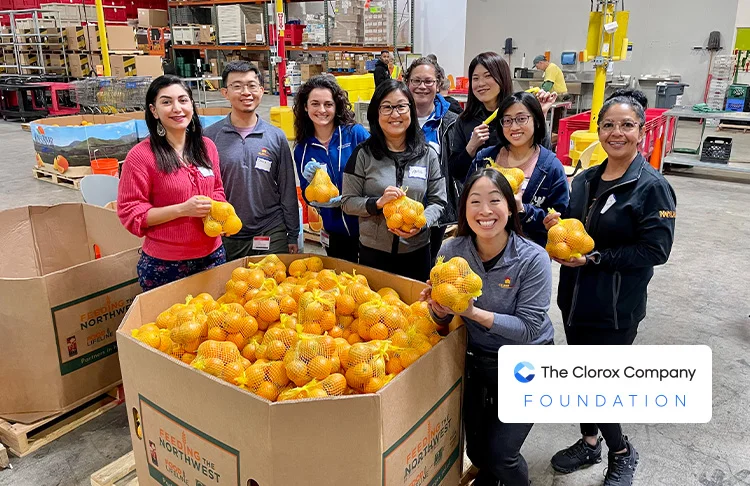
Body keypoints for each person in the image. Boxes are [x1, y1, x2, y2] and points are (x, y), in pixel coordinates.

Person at [545, 94, 676, 486]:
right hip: (575, 298)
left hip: (617, 307)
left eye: (626, 125)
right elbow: (576, 230)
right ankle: (589, 441)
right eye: (608, 126)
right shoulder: (584, 179)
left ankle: (620, 450)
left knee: (598, 384)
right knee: (581, 375)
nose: (616, 133)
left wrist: (595, 260)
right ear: (598, 130)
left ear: (640, 131)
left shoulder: (652, 187)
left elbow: (656, 249)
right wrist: (557, 224)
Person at [422, 168, 554, 486]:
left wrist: (474, 312)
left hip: (528, 363)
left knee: (501, 455)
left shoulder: (533, 259)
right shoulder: (451, 252)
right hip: (478, 360)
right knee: (478, 453)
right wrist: (438, 310)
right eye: (475, 202)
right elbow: (442, 321)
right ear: (464, 209)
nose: (485, 211)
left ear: (510, 207)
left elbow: (530, 328)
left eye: (495, 201)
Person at [118, 75, 227, 291]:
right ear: (154, 110)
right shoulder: (140, 157)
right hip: (166, 265)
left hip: (213, 256)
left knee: (214, 322)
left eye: (183, 100)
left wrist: (221, 215)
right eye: (167, 102)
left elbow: (217, 190)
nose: (177, 108)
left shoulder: (207, 147)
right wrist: (182, 209)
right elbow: (131, 213)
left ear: (192, 106)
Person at [342, 79, 447, 281]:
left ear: (411, 111)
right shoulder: (363, 154)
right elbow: (347, 202)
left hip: (417, 252)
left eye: (401, 106)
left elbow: (439, 201)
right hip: (373, 253)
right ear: (376, 113)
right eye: (387, 107)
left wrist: (422, 222)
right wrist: (377, 203)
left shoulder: (427, 154)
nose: (395, 114)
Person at [204, 61, 299, 260]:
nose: (245, 92)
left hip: (271, 230)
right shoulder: (209, 137)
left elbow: (287, 188)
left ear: (262, 91)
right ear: (225, 93)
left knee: (277, 285)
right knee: (233, 288)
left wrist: (292, 233)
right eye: (237, 86)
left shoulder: (275, 136)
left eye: (251, 85)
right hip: (227, 232)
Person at [472, 92, 569, 247]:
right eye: (507, 120)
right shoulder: (484, 159)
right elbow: (467, 203)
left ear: (536, 120)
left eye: (522, 118)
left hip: (530, 255)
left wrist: (523, 210)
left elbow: (561, 220)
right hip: (483, 250)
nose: (514, 127)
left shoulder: (551, 167)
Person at [293, 75, 370, 263]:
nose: (322, 110)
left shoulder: (355, 134)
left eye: (328, 104)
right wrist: (313, 198)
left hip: (367, 227)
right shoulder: (302, 149)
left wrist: (349, 200)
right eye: (315, 104)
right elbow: (306, 193)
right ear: (305, 107)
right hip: (334, 231)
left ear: (336, 106)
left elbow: (378, 174)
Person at [449, 52, 556, 185]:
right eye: (475, 78)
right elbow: (455, 172)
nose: (480, 83)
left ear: (502, 77)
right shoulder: (465, 120)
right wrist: (471, 147)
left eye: (488, 76)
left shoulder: (520, 115)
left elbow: (543, 159)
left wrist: (540, 116)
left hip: (521, 195)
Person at [404, 56, 460, 264]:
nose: (422, 87)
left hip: (435, 211)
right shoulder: (395, 117)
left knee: (427, 262)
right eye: (416, 81)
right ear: (407, 83)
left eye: (428, 81)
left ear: (438, 84)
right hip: (400, 209)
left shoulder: (451, 122)